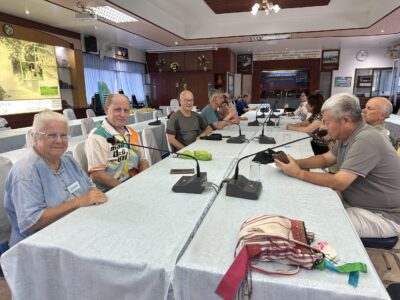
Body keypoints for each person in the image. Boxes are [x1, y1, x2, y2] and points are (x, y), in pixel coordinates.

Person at [275, 93, 400, 238]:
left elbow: (339, 182)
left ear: (345, 120)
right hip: (355, 203)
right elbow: (325, 159)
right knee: (306, 203)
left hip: (383, 216)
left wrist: (298, 173)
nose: (325, 127)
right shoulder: (346, 134)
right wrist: (296, 163)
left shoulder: (367, 138)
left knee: (313, 224)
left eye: (327, 122)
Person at [4, 110, 107, 247]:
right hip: (41, 246)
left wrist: (92, 196)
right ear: (35, 137)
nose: (59, 140)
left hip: (78, 230)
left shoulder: (68, 159)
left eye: (63, 135)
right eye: (51, 135)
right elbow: (31, 222)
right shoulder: (25, 173)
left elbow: (90, 187)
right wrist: (79, 201)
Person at [86, 94, 149, 191]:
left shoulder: (133, 133)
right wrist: (125, 189)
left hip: (134, 186)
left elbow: (143, 161)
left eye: (126, 110)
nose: (122, 114)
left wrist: (142, 181)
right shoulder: (97, 136)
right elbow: (97, 175)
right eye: (117, 110)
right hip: (110, 192)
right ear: (106, 110)